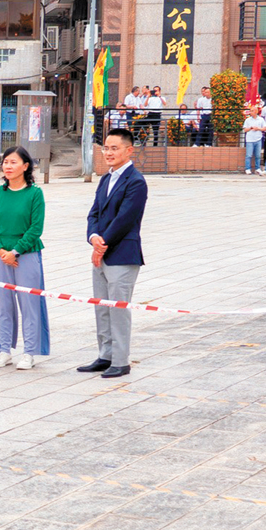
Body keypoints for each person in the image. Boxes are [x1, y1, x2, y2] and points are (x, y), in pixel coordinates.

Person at [79, 128, 148, 379]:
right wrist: (93, 237)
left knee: (119, 309)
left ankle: (121, 360)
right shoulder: (105, 179)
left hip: (122, 254)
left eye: (114, 148)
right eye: (106, 148)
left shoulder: (136, 181)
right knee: (102, 308)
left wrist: (102, 243)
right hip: (102, 251)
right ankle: (105, 355)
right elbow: (94, 213)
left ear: (129, 150)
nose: (108, 152)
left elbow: (125, 219)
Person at [0, 146, 50, 369]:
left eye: (13, 162)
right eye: (5, 162)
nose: (8, 166)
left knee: (29, 302)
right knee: (3, 303)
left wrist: (16, 251)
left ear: (25, 166)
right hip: (1, 255)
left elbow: (36, 228)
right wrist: (1, 250)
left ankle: (29, 351)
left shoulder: (35, 194)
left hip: (27, 255)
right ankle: (4, 350)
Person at [243, 104, 266, 175]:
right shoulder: (247, 120)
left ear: (256, 111)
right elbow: (245, 129)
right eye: (250, 111)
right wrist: (250, 128)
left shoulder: (261, 119)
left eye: (252, 111)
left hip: (258, 139)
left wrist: (258, 128)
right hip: (250, 140)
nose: (251, 112)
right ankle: (247, 168)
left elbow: (265, 128)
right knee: (249, 155)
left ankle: (258, 168)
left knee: (258, 155)